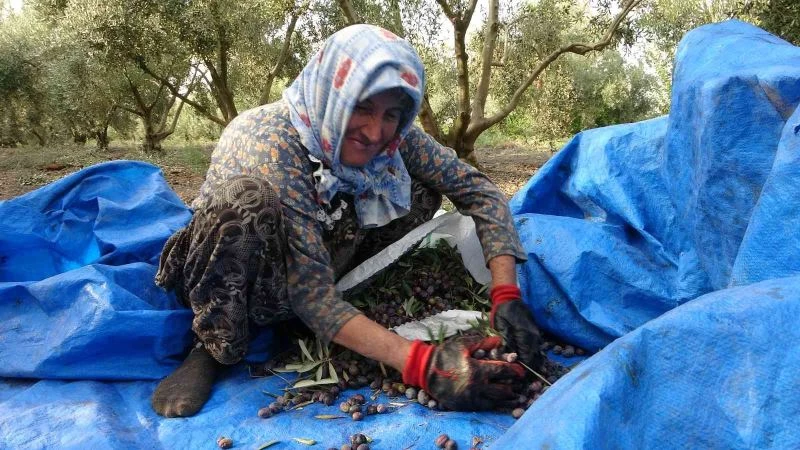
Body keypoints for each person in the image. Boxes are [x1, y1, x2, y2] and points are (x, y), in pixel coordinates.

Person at [151, 24, 544, 417]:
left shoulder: (395, 140)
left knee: (420, 189)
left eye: (391, 114)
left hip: (318, 264)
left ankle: (332, 319)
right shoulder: (272, 143)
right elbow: (311, 295)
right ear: (332, 95)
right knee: (244, 204)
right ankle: (213, 346)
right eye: (362, 107)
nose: (376, 131)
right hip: (246, 274)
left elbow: (477, 190)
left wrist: (506, 295)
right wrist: (423, 365)